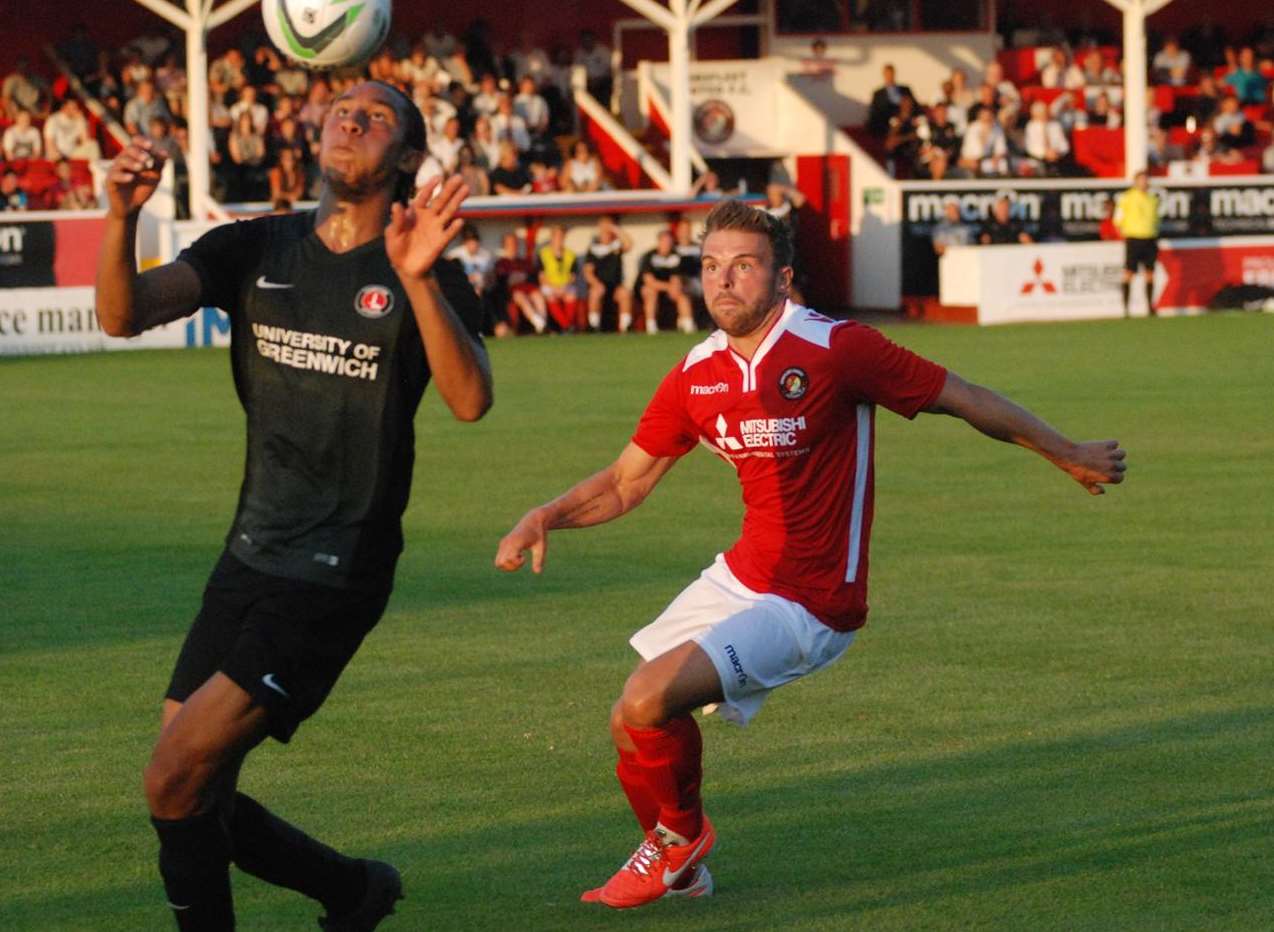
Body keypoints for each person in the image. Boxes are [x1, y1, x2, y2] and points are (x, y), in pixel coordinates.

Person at [495, 198, 1127, 911]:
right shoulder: (696, 373)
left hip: (813, 601)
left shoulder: (837, 348)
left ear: (783, 277)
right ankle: (685, 859)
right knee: (629, 717)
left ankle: (678, 844)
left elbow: (963, 397)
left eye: (744, 265)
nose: (723, 281)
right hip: (743, 575)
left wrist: (1065, 451)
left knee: (647, 700)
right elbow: (624, 481)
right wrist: (545, 515)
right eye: (710, 267)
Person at [96, 80, 492, 930]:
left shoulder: (426, 267)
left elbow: (470, 400)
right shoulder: (254, 247)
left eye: (378, 116)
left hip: (336, 567)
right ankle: (353, 891)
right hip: (249, 548)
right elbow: (122, 315)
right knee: (195, 789)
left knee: (172, 777)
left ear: (411, 159)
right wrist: (121, 214)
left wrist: (418, 279)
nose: (351, 119)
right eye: (343, 107)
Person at [1113, 170, 1159, 318]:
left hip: (1150, 238)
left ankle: (1150, 307)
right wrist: (1123, 234)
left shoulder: (1153, 199)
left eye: (1146, 180)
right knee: (1129, 273)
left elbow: (1156, 219)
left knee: (1150, 274)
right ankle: (1126, 309)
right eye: (1141, 180)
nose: (1144, 183)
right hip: (1133, 239)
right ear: (1135, 182)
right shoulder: (1127, 198)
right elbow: (1117, 219)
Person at [637, 228, 694, 334]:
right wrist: (669, 287)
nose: (667, 244)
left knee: (682, 295)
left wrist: (674, 287)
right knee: (650, 292)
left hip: (669, 288)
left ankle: (688, 325)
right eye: (664, 241)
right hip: (650, 288)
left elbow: (676, 278)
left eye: (669, 242)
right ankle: (651, 327)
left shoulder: (675, 256)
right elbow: (649, 281)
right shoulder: (649, 256)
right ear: (658, 242)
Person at [583, 215, 634, 332]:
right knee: (595, 292)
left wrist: (615, 229)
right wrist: (596, 284)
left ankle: (625, 326)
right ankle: (593, 325)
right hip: (599, 286)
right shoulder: (593, 248)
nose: (605, 232)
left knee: (625, 293)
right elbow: (588, 272)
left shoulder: (616, 245)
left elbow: (629, 244)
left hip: (615, 287)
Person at [538, 224, 582, 331]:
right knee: (551, 296)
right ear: (552, 237)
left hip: (565, 285)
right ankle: (566, 325)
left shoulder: (570, 254)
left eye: (561, 236)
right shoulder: (543, 253)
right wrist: (554, 288)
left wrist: (563, 287)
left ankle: (568, 325)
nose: (559, 239)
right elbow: (541, 277)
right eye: (556, 236)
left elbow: (573, 276)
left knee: (571, 295)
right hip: (549, 285)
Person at [867, 64, 913, 136]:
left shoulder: (905, 90)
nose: (889, 76)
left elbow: (914, 106)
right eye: (887, 74)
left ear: (894, 74)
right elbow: (874, 113)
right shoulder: (878, 94)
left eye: (891, 73)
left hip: (905, 124)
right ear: (884, 75)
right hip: (886, 126)